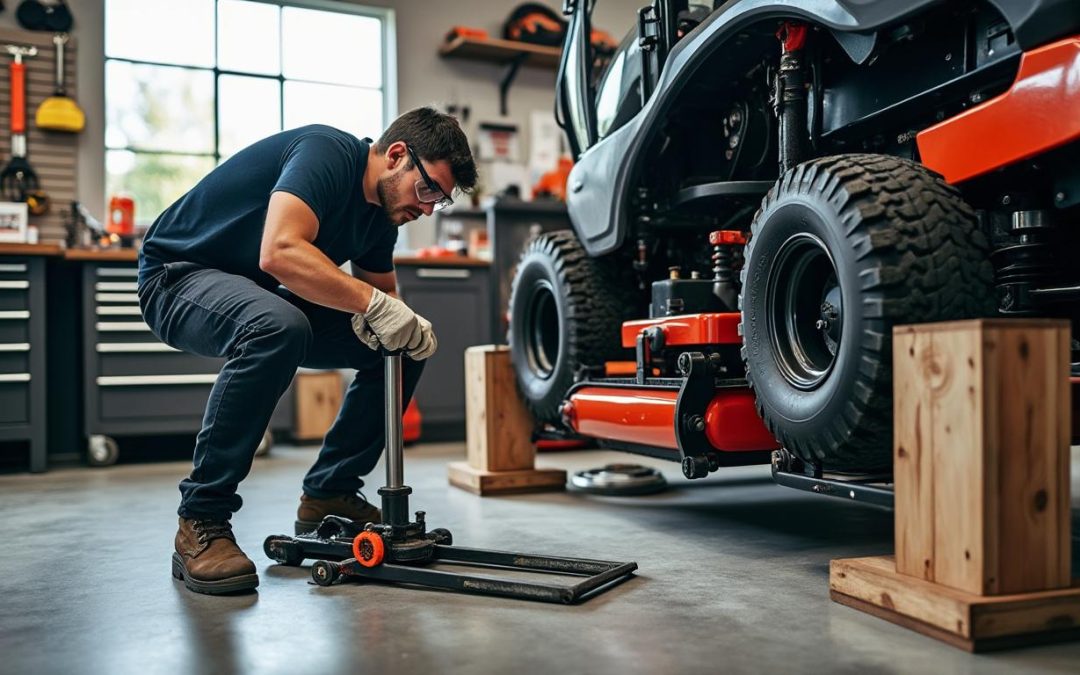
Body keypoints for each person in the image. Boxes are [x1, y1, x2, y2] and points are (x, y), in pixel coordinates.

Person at [137, 107, 478, 595]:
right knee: (279, 326)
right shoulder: (327, 153)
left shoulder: (382, 218)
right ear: (397, 156)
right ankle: (201, 520)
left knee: (400, 347)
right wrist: (378, 305)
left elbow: (385, 307)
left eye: (439, 201)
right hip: (176, 276)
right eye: (427, 190)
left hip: (258, 291)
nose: (427, 208)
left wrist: (402, 329)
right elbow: (279, 251)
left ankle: (330, 493)